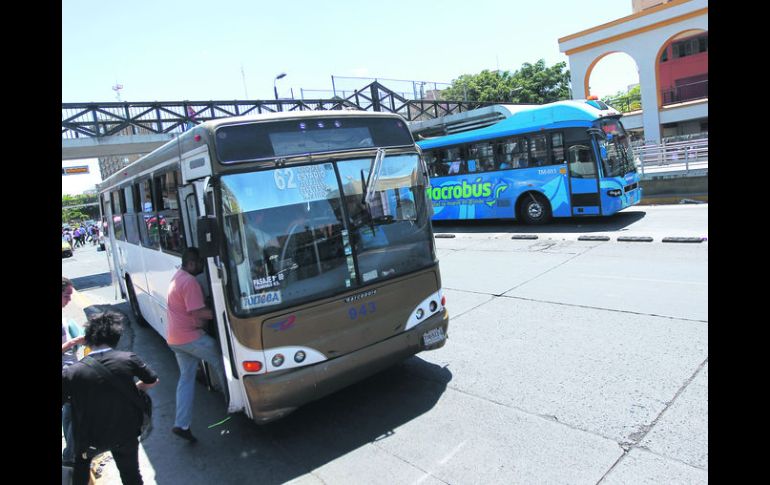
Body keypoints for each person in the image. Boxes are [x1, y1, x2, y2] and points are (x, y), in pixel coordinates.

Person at [62, 311, 159, 485]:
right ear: (116, 337)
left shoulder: (72, 372)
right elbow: (152, 380)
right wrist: (136, 388)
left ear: (89, 340)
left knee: (81, 471)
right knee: (131, 475)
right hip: (125, 431)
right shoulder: (128, 359)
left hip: (89, 437)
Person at [166, 247, 227, 442]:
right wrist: (224, 311)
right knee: (222, 359)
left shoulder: (177, 276)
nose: (202, 266)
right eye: (200, 263)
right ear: (191, 264)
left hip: (175, 339)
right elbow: (197, 313)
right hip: (190, 337)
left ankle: (181, 424)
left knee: (186, 379)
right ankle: (235, 402)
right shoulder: (190, 282)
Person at [62, 277, 85, 467]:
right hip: (65, 373)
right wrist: (73, 342)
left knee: (70, 411)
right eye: (66, 295)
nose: (70, 300)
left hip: (69, 369)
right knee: (79, 412)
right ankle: (70, 456)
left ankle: (69, 454)